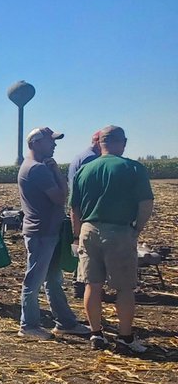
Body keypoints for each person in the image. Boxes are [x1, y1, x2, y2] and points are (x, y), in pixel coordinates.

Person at [71, 125, 153, 352]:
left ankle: (96, 334)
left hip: (88, 230)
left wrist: (77, 236)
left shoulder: (84, 170)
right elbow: (146, 204)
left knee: (92, 285)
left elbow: (74, 208)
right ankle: (125, 337)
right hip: (119, 231)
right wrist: (136, 229)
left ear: (100, 143)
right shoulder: (133, 168)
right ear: (122, 143)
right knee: (125, 288)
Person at [18, 127, 91, 339]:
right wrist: (59, 174)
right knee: (34, 280)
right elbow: (61, 198)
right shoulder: (37, 169)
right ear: (36, 143)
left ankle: (65, 322)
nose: (54, 145)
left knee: (52, 279)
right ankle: (28, 325)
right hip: (42, 232)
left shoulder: (35, 166)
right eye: (51, 141)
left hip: (45, 231)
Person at [68, 131, 103, 299]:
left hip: (79, 208)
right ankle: (81, 284)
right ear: (97, 142)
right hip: (86, 210)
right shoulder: (92, 159)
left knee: (83, 247)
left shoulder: (80, 156)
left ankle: (79, 283)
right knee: (87, 250)